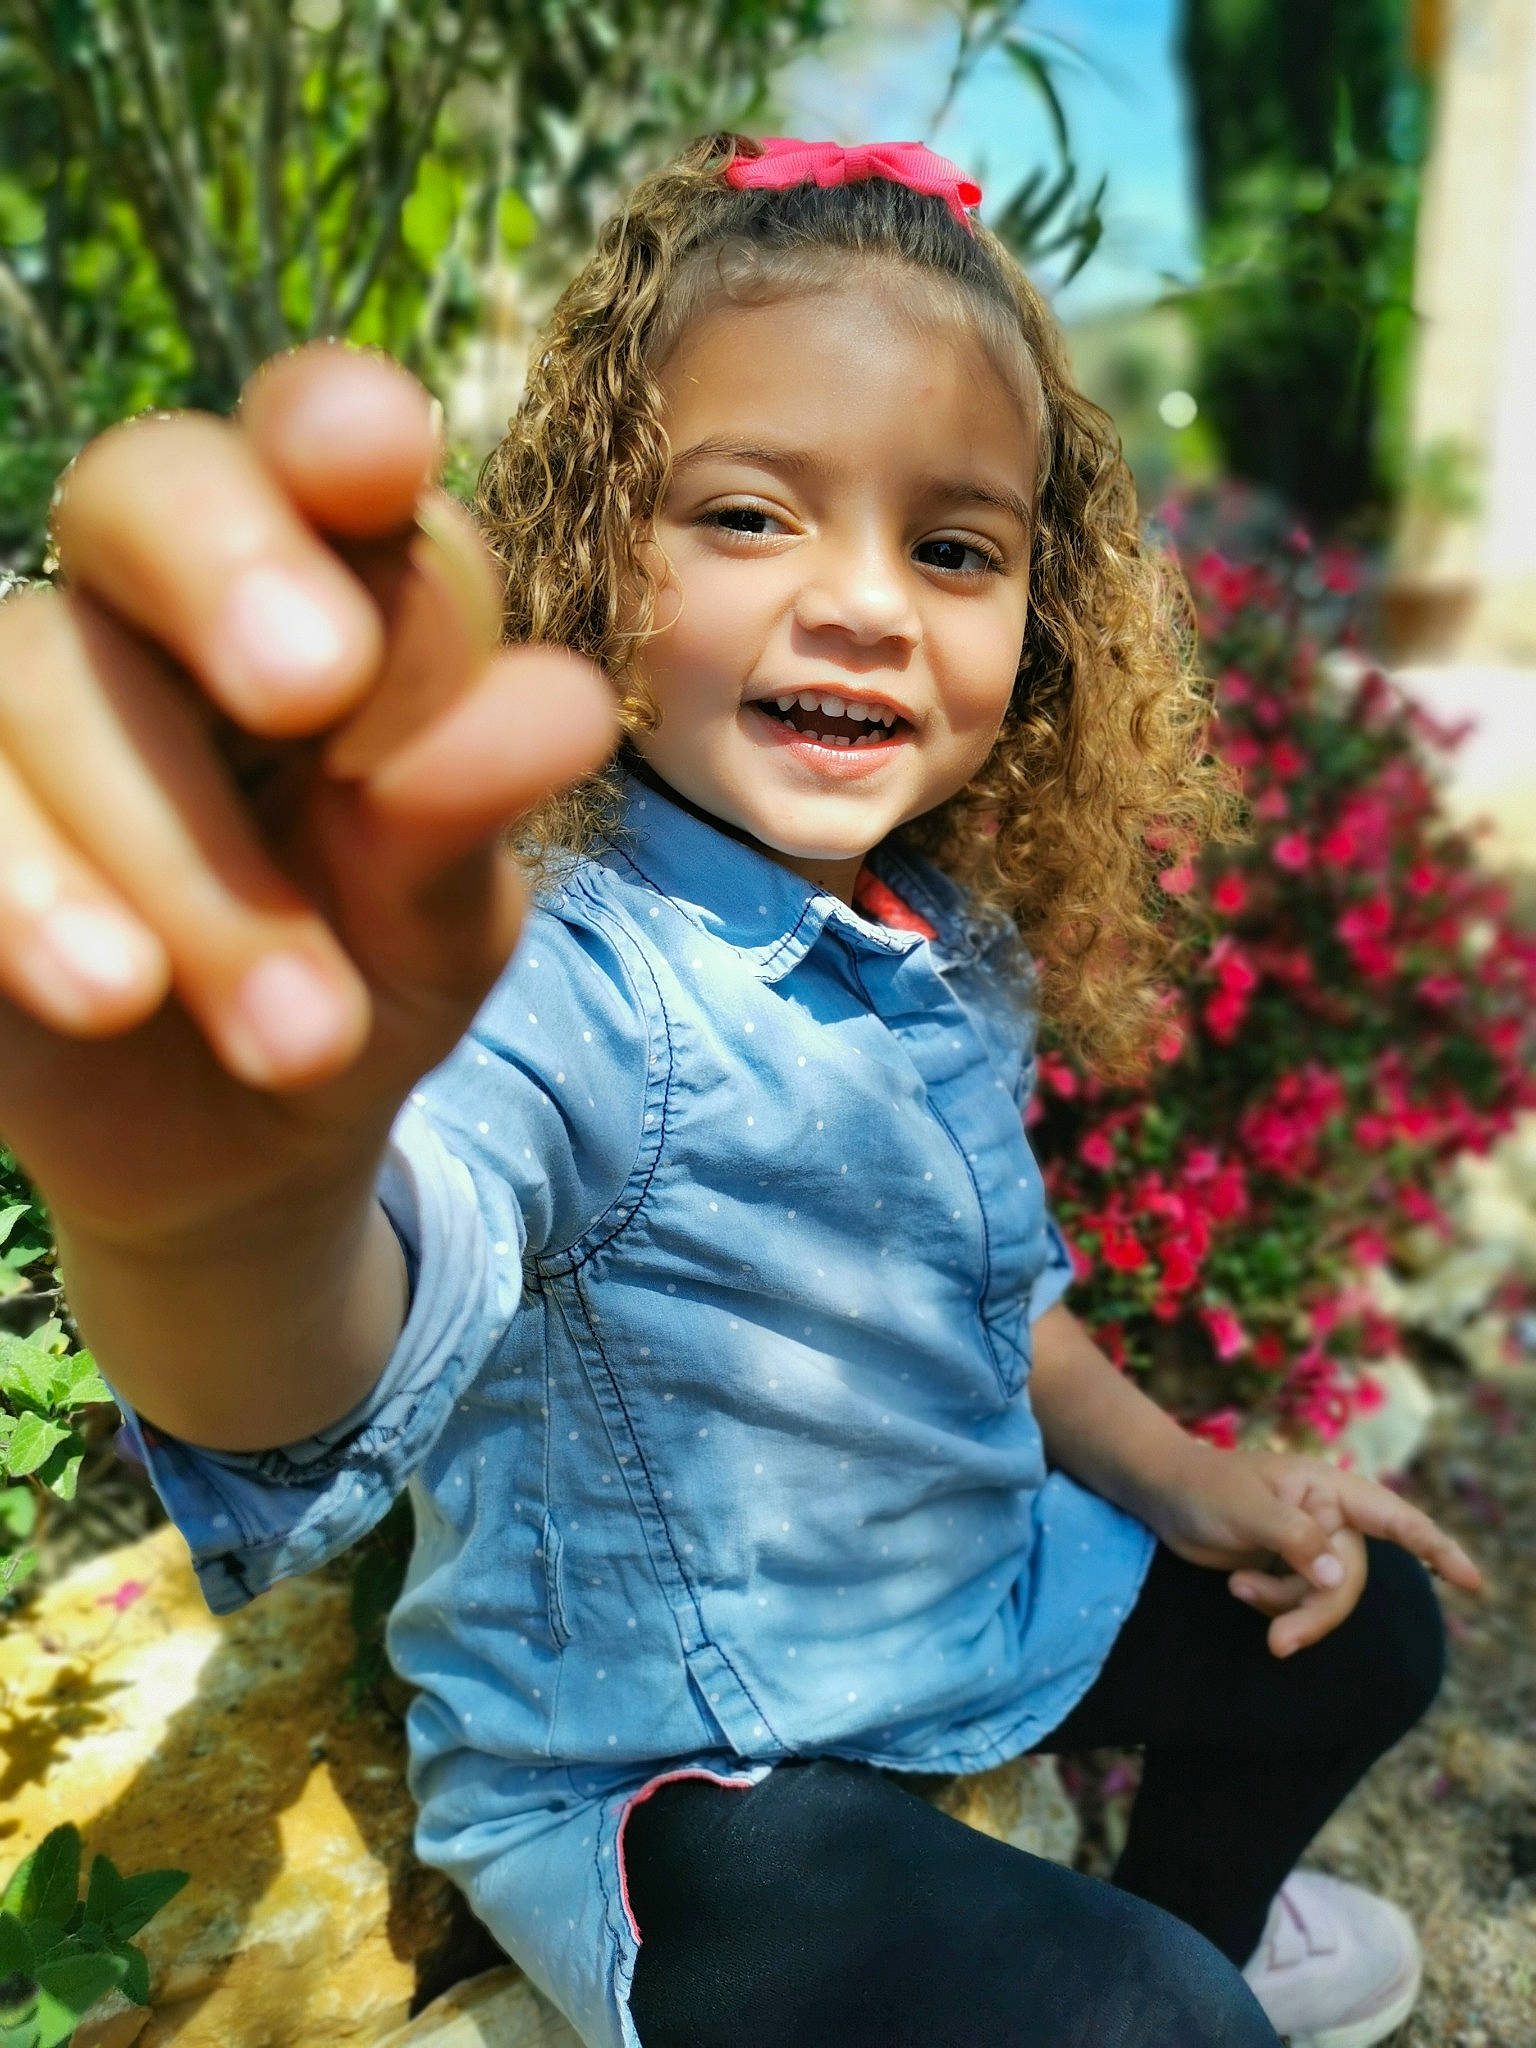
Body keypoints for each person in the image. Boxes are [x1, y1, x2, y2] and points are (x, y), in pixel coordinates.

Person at [0, 134, 1482, 2048]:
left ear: (1044, 618)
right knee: (1146, 2014)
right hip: (687, 1769)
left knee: (1363, 1624)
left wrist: (1190, 1478)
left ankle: (1197, 1910)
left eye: (954, 549)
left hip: (965, 1613)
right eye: (749, 516)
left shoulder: (938, 933)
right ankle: (1166, 1967)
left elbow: (1007, 1307)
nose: (866, 602)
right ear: (591, 549)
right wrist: (220, 1223)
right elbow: (376, 1289)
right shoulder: (558, 971)